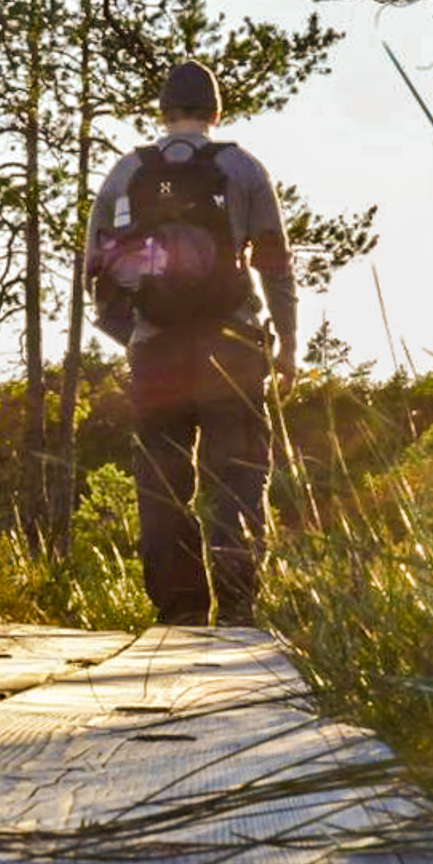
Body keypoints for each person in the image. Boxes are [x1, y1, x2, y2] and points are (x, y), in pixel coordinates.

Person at [84, 60, 298, 627]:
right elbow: (275, 266)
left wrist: (136, 337)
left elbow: (95, 272)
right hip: (233, 347)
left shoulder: (125, 174)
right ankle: (236, 607)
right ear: (216, 112)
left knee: (162, 482)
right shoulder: (242, 169)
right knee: (239, 475)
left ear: (163, 113)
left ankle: (179, 613)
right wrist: (288, 345)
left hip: (157, 354)